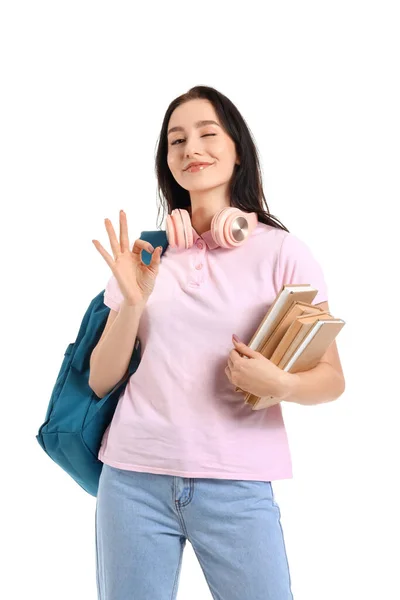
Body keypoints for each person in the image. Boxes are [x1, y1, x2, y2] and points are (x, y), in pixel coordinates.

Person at [90, 85, 345, 600]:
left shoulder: (284, 253)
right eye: (176, 140)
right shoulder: (145, 257)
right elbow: (101, 379)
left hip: (237, 482)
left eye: (208, 133)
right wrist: (135, 300)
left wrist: (281, 383)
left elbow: (332, 379)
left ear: (237, 150)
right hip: (132, 481)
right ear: (168, 161)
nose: (191, 149)